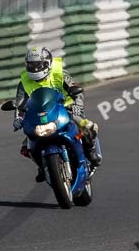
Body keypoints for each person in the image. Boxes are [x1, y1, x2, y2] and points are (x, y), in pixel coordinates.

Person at [12, 47, 102, 182]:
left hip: (66, 108)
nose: (34, 68)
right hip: (39, 114)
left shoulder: (60, 73)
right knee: (27, 145)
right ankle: (43, 166)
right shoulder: (23, 82)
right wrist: (18, 118)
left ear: (47, 63)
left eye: (37, 64)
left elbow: (77, 90)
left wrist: (78, 106)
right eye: (31, 64)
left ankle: (91, 151)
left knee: (88, 127)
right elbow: (19, 104)